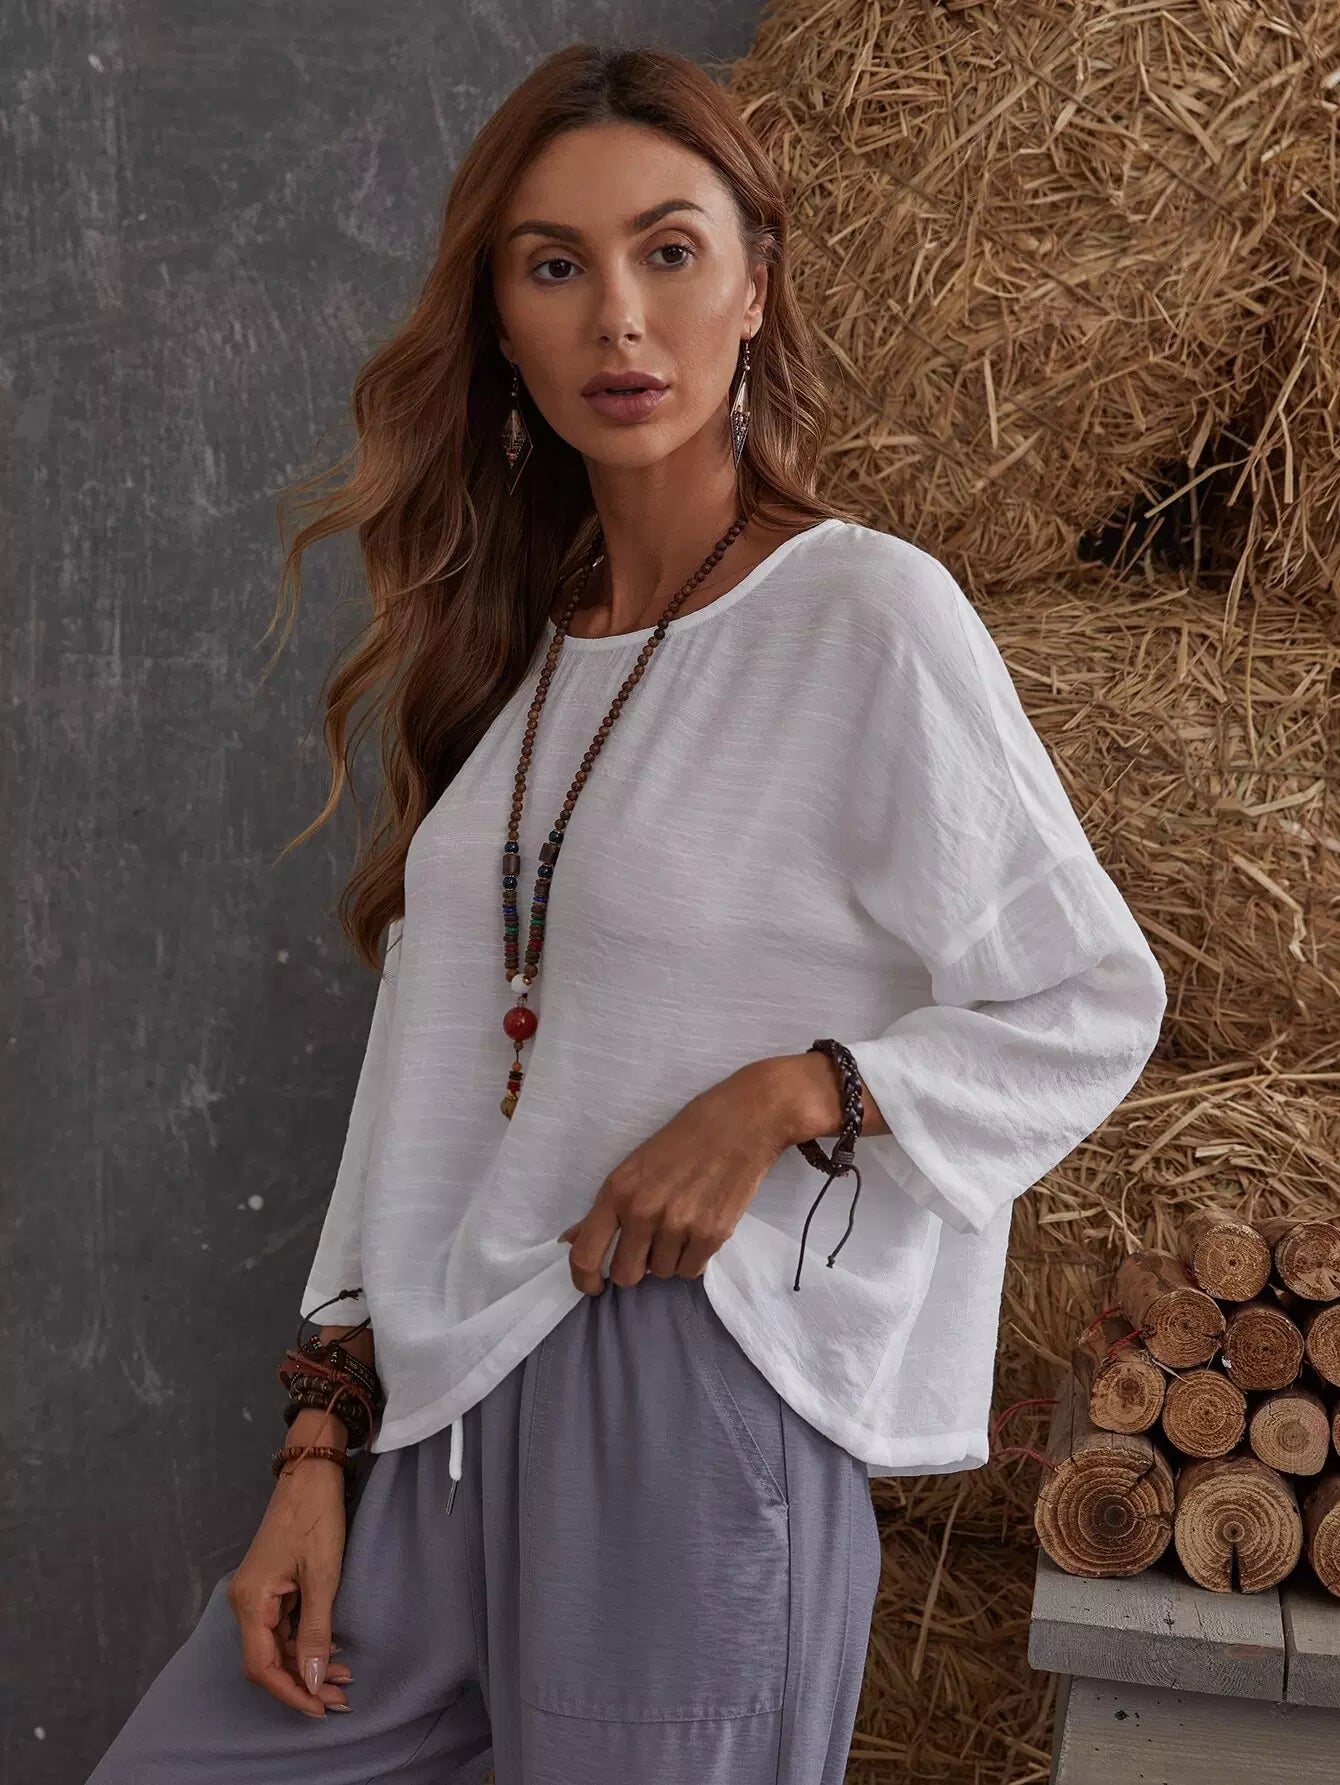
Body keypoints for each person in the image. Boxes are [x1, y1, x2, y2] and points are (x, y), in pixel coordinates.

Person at [85, 39, 1167, 1785]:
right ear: (501, 323)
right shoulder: (516, 649)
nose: (620, 318)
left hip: (685, 1394)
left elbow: (1090, 998)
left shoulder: (866, 619)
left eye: (669, 250)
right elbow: (419, 1082)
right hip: (439, 1419)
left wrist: (793, 1093)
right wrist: (317, 1440)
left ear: (755, 284)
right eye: (555, 265)